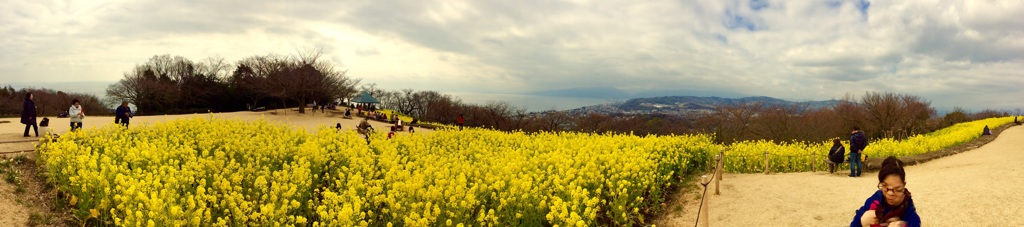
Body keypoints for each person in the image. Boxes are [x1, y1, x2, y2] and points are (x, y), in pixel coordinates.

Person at [851, 156, 920, 227]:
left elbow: (915, 223)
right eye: (885, 187)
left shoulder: (907, 206)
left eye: (897, 189)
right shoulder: (875, 199)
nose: (890, 193)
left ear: (904, 185)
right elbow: (853, 223)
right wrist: (861, 221)